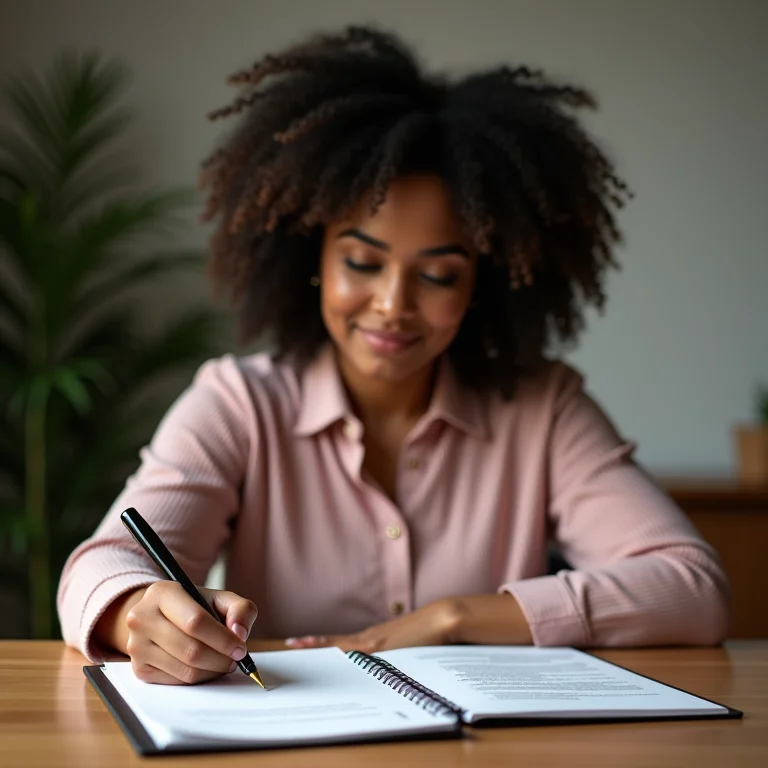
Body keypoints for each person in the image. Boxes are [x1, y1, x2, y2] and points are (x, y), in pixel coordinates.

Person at [57, 26, 730, 686]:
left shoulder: (542, 407)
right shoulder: (240, 403)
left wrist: (455, 618)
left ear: (481, 286)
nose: (392, 304)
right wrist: (136, 613)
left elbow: (693, 587)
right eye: (362, 262)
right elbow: (101, 567)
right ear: (312, 258)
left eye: (437, 274)